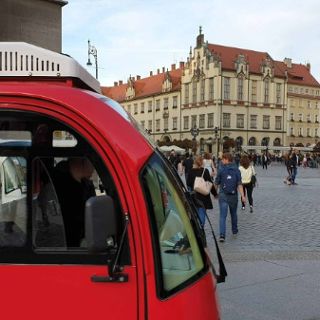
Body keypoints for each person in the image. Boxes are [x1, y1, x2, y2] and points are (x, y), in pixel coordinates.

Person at [53, 157, 96, 247]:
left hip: (81, 243)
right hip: (62, 246)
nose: (94, 167)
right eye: (92, 161)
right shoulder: (56, 184)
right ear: (82, 161)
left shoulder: (87, 185)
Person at [215, 152, 245, 242]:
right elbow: (239, 184)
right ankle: (234, 230)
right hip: (233, 195)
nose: (222, 160)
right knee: (233, 213)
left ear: (227, 159)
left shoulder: (221, 169)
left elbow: (216, 183)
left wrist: (214, 193)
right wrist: (243, 196)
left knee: (222, 216)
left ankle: (222, 235)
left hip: (223, 194)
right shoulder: (237, 170)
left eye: (223, 159)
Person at [187, 155, 218, 227]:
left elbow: (188, 183)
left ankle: (196, 228)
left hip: (194, 195)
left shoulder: (190, 171)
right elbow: (210, 184)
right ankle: (201, 227)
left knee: (195, 212)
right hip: (203, 196)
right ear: (202, 162)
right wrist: (215, 194)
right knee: (202, 212)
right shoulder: (205, 171)